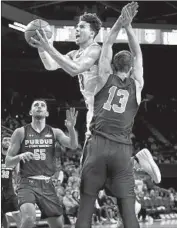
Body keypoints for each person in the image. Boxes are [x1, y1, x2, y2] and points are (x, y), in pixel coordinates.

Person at [30, 5, 161, 186]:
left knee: (91, 174)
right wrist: (41, 47)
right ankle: (133, 163)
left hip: (101, 112)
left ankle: (134, 163)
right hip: (108, 112)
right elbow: (50, 65)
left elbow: (74, 69)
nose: (77, 29)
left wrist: (48, 46)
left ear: (92, 34)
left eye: (82, 27)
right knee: (98, 174)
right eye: (77, 26)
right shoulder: (75, 53)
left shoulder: (95, 50)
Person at [75, 3, 145, 228]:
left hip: (97, 144)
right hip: (122, 149)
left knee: (85, 208)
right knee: (128, 212)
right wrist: (129, 27)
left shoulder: (104, 77)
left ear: (113, 65)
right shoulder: (137, 85)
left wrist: (119, 23)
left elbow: (108, 43)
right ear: (131, 67)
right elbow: (138, 53)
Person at [5, 99, 78, 228]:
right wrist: (20, 156)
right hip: (27, 183)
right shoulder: (20, 132)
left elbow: (73, 145)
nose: (39, 107)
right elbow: (8, 161)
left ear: (47, 113)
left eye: (42, 105)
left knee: (58, 225)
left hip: (47, 184)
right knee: (28, 218)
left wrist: (71, 129)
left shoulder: (55, 132)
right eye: (36, 105)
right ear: (30, 112)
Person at [1, 135, 21, 228]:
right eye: (5, 140)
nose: (7, 141)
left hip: (9, 190)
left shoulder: (14, 158)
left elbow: (18, 174)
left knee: (17, 213)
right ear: (1, 142)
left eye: (9, 140)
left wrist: (18, 186)